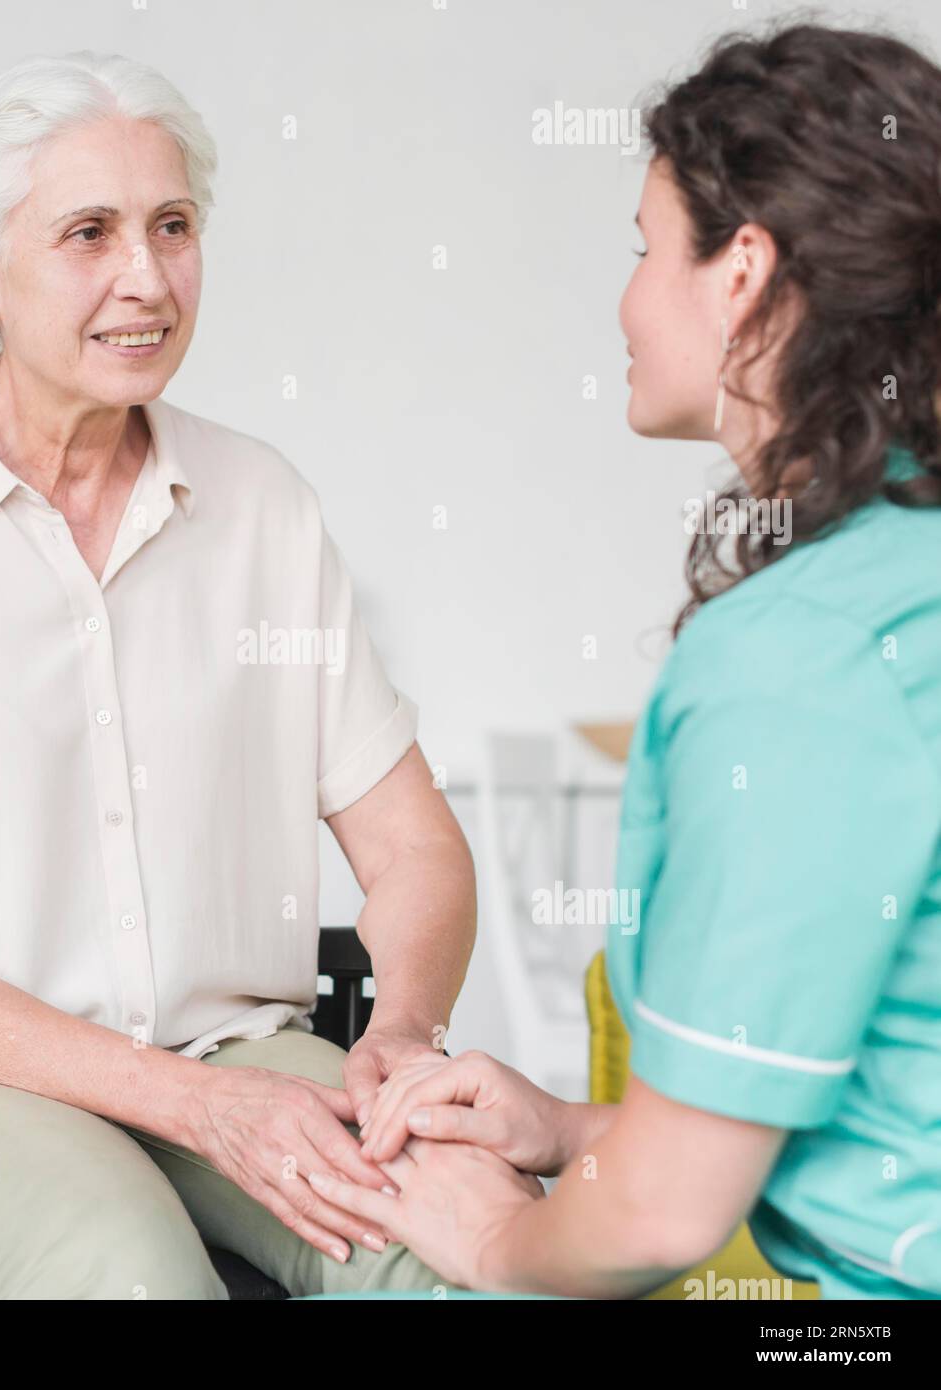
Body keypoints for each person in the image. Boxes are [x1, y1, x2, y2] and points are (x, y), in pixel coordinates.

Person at [0, 50, 477, 1299]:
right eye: (90, 233)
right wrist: (191, 1107)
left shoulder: (264, 511)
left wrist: (398, 1033)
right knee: (127, 1273)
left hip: (228, 1046)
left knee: (467, 1239)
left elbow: (415, 852)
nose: (148, 277)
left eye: (172, 226)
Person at [314, 22, 941, 1301]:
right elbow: (880, 1129)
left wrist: (495, 1237)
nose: (624, 299)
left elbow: (660, 1216)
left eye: (647, 250)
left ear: (742, 274)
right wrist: (564, 1131)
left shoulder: (796, 660)